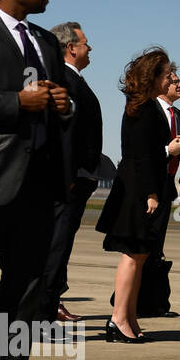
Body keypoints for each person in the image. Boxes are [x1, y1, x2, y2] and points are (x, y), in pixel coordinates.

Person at [0, 0, 74, 360]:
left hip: (39, 187)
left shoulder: (44, 42)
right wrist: (15, 102)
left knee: (25, 297)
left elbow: (59, 102)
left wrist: (63, 104)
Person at [95, 48, 180, 343]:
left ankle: (129, 316)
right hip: (139, 189)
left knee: (141, 255)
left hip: (148, 186)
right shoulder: (142, 108)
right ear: (154, 77)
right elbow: (140, 155)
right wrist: (151, 191)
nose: (171, 77)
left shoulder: (147, 107)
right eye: (166, 73)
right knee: (132, 256)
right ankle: (118, 318)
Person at [40, 21, 100, 326]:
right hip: (66, 181)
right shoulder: (62, 80)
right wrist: (71, 175)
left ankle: (48, 310)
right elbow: (64, 134)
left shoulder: (75, 80)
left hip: (76, 179)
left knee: (60, 248)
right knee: (55, 248)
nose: (90, 48)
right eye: (86, 43)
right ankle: (42, 315)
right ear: (70, 48)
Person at [138, 66, 180, 317]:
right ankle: (136, 301)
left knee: (157, 246)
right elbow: (143, 153)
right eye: (174, 81)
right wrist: (169, 150)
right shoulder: (149, 110)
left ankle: (155, 302)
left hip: (167, 184)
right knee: (142, 246)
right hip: (149, 186)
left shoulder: (178, 114)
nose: (179, 85)